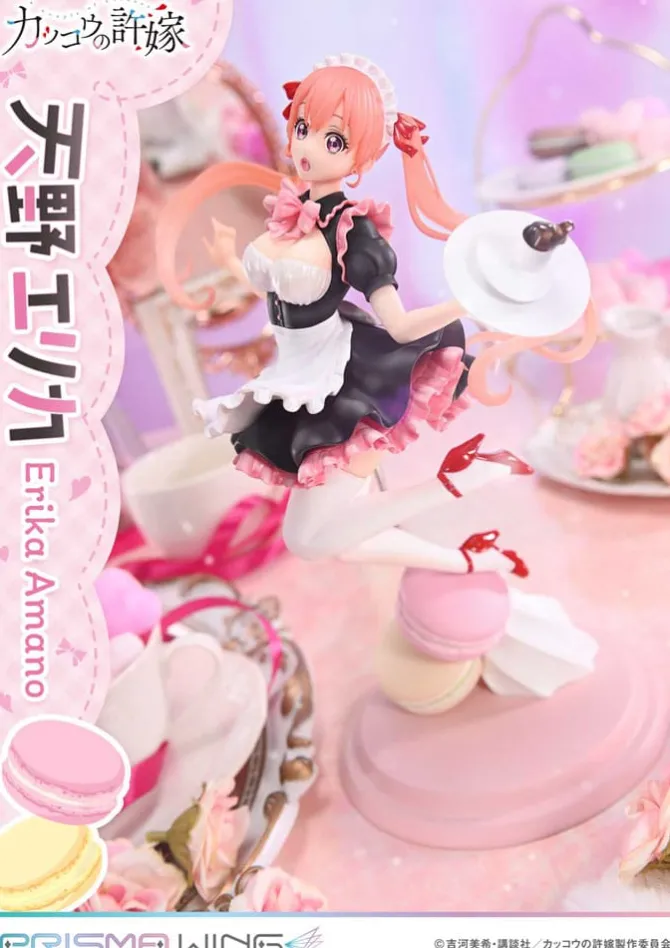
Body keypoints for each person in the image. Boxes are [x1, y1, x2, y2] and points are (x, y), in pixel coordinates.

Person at [157, 53, 597, 575]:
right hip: (293, 377)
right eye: (304, 128)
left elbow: (400, 325)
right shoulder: (290, 214)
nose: (308, 148)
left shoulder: (355, 231)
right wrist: (231, 259)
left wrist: (467, 303)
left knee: (306, 540)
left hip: (344, 386)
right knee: (342, 539)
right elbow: (275, 287)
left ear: (360, 160)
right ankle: (469, 561)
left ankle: (455, 484)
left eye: (334, 141)